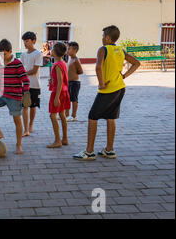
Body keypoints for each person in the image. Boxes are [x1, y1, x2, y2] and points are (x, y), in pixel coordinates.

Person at [73, 25, 140, 161]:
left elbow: (98, 67)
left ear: (108, 38)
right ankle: (109, 150)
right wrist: (124, 76)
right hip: (120, 88)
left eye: (103, 36)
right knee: (111, 117)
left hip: (108, 90)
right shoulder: (120, 50)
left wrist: (101, 83)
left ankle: (89, 152)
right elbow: (136, 63)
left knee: (92, 117)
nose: (102, 38)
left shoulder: (103, 49)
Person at [0, 39, 30, 155]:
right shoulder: (0, 63)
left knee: (17, 120)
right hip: (1, 95)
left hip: (14, 96)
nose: (2, 57)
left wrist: (26, 96)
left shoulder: (17, 63)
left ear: (10, 51)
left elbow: (26, 80)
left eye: (4, 54)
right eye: (0, 54)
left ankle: (19, 145)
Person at [47, 42, 71, 148]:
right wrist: (52, 81)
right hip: (64, 92)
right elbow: (60, 79)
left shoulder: (56, 65)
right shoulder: (63, 63)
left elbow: (60, 81)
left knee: (53, 115)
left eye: (52, 49)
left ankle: (57, 140)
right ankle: (64, 138)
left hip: (58, 93)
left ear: (55, 52)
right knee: (62, 115)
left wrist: (56, 97)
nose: (50, 51)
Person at [20, 32, 42, 137]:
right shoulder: (23, 55)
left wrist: (22, 73)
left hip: (35, 84)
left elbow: (34, 70)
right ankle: (25, 129)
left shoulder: (38, 54)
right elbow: (21, 68)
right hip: (25, 85)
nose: (25, 43)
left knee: (33, 106)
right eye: (24, 41)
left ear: (34, 41)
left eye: (27, 41)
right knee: (25, 106)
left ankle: (31, 125)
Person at [65, 42, 84, 122]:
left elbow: (81, 71)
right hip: (69, 82)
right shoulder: (70, 59)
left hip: (75, 82)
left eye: (69, 49)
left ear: (75, 50)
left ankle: (74, 115)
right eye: (67, 49)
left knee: (74, 99)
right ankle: (67, 115)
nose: (67, 50)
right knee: (68, 99)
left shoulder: (76, 60)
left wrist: (73, 74)